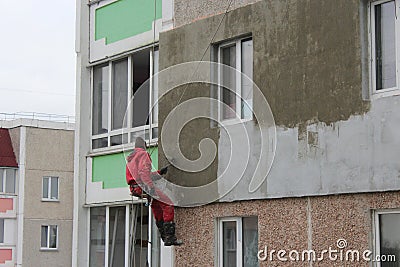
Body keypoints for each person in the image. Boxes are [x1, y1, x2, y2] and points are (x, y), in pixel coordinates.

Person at [126, 137, 182, 246]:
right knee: (167, 204)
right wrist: (150, 187)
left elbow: (140, 175)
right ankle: (170, 237)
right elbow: (143, 173)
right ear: (144, 145)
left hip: (135, 188)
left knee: (156, 206)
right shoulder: (143, 154)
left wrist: (159, 173)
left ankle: (164, 237)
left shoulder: (131, 158)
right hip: (143, 186)